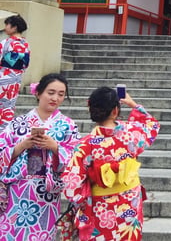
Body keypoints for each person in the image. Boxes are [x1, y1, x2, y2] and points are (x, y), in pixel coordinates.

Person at [62, 86, 160, 241]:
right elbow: (151, 125)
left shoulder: (85, 145)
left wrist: (84, 198)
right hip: (129, 203)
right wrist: (132, 104)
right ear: (115, 111)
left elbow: (71, 184)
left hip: (100, 206)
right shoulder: (131, 135)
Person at [0, 73, 80, 240]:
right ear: (38, 93)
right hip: (18, 188)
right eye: (50, 93)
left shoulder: (68, 125)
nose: (55, 98)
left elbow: (77, 158)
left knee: (42, 234)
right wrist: (23, 145)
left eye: (61, 94)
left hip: (47, 192)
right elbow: (2, 150)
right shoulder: (18, 123)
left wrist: (56, 148)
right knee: (12, 234)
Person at [0, 14, 30, 125]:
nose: (6, 27)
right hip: (16, 79)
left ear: (14, 27)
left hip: (3, 76)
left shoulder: (6, 43)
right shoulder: (25, 44)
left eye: (7, 24)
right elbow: (25, 64)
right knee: (9, 105)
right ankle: (5, 129)